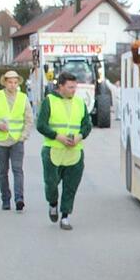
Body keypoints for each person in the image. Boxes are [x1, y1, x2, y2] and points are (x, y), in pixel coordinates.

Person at [36, 72, 92, 230]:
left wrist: (79, 137)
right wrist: (57, 136)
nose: (74, 90)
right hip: (53, 150)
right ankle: (52, 203)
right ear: (60, 86)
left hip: (74, 152)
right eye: (70, 87)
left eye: (75, 87)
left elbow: (87, 125)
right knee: (51, 183)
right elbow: (41, 125)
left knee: (71, 186)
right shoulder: (49, 101)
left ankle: (65, 216)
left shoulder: (80, 103)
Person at [0, 70, 34, 212]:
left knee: (17, 170)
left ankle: (19, 198)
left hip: (16, 140)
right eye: (10, 82)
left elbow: (29, 119)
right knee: (3, 171)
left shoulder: (23, 98)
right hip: (0, 140)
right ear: (5, 82)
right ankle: (5, 199)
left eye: (15, 82)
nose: (13, 85)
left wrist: (23, 136)